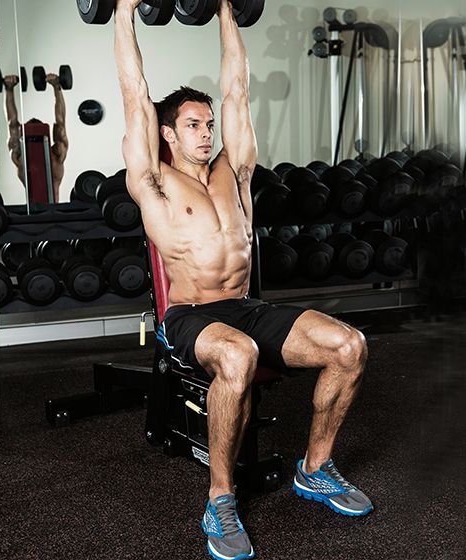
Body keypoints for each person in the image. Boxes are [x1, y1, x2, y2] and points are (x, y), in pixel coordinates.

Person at [113, 2, 373, 558]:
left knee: (349, 347)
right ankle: (220, 499)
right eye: (193, 126)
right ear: (168, 134)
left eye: (209, 125)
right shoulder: (151, 181)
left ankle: (316, 469)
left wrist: (228, 9)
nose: (207, 134)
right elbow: (135, 92)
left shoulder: (236, 172)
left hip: (246, 304)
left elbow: (237, 89)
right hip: (189, 317)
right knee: (238, 357)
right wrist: (123, 12)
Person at [3, 72, 68, 202]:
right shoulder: (21, 157)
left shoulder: (21, 158)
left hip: (53, 212)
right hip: (33, 215)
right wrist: (56, 87)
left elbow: (60, 123)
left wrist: (9, 89)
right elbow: (12, 124)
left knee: (60, 129)